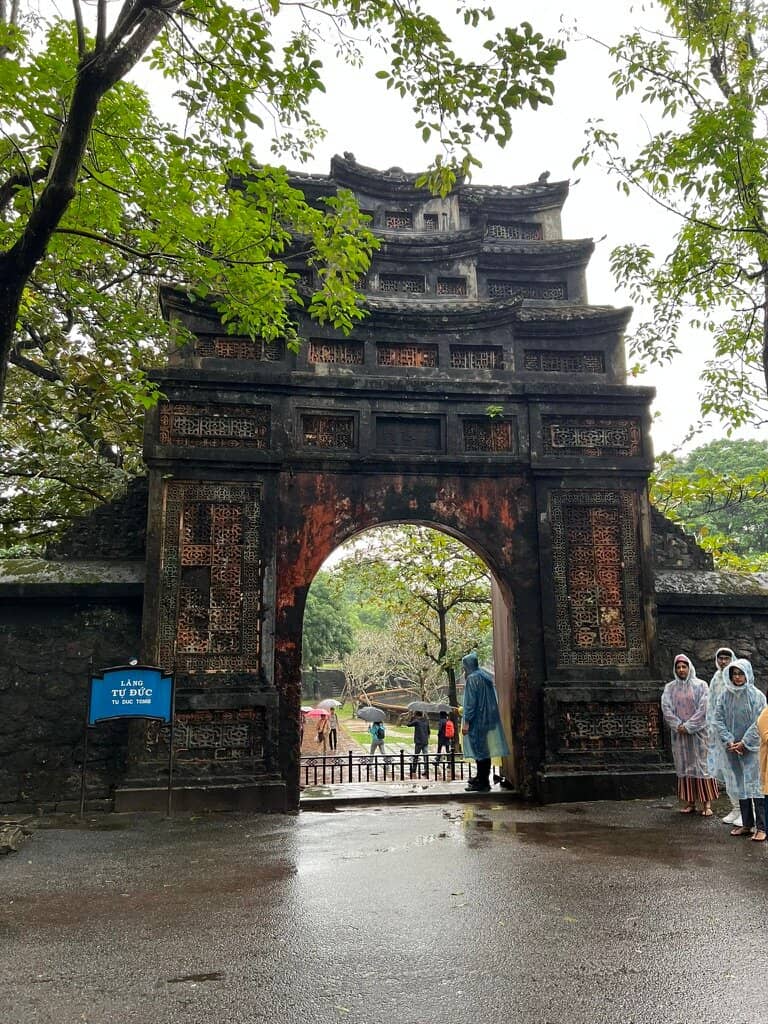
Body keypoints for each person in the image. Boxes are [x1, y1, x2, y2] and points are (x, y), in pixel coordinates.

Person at [713, 658, 767, 840]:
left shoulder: (757, 696)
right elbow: (718, 718)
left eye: (740, 673)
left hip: (752, 749)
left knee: (756, 786)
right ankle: (747, 824)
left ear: (748, 674)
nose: (737, 677)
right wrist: (729, 740)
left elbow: (760, 722)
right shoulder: (724, 696)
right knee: (741, 785)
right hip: (733, 749)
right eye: (734, 674)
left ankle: (762, 827)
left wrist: (745, 742)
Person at [660, 654, 718, 815]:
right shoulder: (670, 688)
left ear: (689, 667)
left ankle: (706, 804)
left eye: (684, 667)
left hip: (699, 734)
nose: (681, 670)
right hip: (680, 735)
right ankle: (690, 802)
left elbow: (704, 708)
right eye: (678, 667)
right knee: (685, 766)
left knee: (702, 766)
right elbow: (666, 708)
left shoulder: (701, 685)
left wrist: (689, 726)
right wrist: (678, 725)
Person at [461, 652, 509, 793]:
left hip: (476, 720)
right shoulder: (484, 676)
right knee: (484, 749)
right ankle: (481, 778)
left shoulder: (472, 679)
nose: (464, 669)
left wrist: (466, 722)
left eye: (464, 666)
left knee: (479, 750)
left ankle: (483, 782)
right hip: (487, 720)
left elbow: (470, 703)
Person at [706, 647, 741, 825]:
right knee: (728, 772)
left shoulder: (736, 679)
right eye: (720, 658)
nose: (723, 661)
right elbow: (711, 705)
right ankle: (735, 808)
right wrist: (712, 729)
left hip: (737, 734)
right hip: (721, 733)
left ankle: (746, 810)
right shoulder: (716, 679)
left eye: (726, 658)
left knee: (741, 773)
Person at [406, 709, 431, 775]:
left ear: (416, 715)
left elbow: (408, 724)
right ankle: (426, 770)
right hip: (425, 741)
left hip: (419, 742)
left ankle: (414, 770)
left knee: (416, 756)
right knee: (425, 756)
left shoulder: (417, 721)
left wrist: (411, 717)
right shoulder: (426, 721)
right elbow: (429, 731)